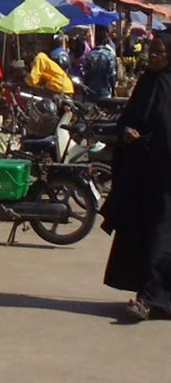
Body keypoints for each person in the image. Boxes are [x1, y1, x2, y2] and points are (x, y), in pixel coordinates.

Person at [101, 32, 171, 321]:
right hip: (142, 174)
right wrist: (126, 132)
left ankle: (151, 298)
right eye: (151, 52)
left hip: (166, 177)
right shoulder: (145, 83)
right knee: (140, 232)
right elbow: (128, 118)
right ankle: (151, 295)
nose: (153, 57)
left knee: (161, 234)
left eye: (159, 52)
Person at [85, 26, 118, 102]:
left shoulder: (90, 55)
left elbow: (86, 75)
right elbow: (112, 76)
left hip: (91, 92)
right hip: (105, 92)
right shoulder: (110, 55)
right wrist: (113, 91)